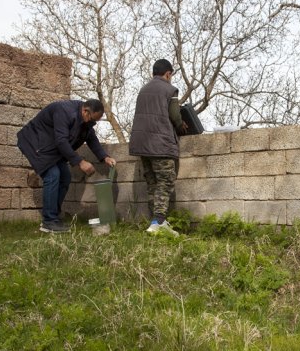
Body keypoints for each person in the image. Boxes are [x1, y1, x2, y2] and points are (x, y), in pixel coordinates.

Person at [17, 99, 116, 233]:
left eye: (95, 122)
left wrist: (105, 157)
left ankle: (54, 217)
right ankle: (49, 222)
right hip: (35, 144)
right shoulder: (64, 111)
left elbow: (91, 138)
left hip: (52, 148)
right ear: (85, 111)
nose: (93, 123)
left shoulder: (85, 120)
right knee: (53, 175)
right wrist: (80, 162)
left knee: (65, 176)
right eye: (93, 120)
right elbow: (61, 140)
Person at [128, 59, 187, 235]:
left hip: (141, 143)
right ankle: (160, 221)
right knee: (166, 180)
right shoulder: (170, 90)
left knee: (152, 183)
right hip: (161, 144)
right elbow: (175, 116)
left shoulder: (143, 90)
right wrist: (181, 125)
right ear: (168, 74)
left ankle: (154, 223)